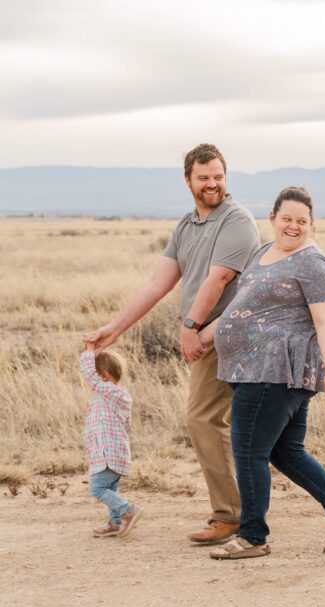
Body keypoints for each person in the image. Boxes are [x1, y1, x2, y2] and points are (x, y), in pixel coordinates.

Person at [84, 144, 259, 545]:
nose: (212, 183)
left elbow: (219, 279)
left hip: (231, 336)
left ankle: (229, 515)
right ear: (188, 180)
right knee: (247, 428)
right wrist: (115, 328)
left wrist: (188, 327)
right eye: (203, 177)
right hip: (207, 335)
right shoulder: (185, 227)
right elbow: (157, 283)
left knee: (204, 419)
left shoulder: (237, 220)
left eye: (218, 176)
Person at [204, 187, 325, 559]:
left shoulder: (314, 263)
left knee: (249, 453)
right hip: (254, 371)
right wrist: (206, 334)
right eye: (287, 219)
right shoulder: (265, 252)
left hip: (275, 373)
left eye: (301, 221)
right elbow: (243, 305)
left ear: (312, 224)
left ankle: (252, 536)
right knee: (287, 452)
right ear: (273, 219)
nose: (293, 226)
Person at [80, 344, 142, 538]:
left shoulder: (109, 392)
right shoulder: (114, 395)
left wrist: (89, 351)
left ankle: (128, 510)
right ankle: (115, 522)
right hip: (112, 452)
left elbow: (89, 375)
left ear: (104, 376)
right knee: (109, 488)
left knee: (97, 488)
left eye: (95, 376)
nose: (90, 382)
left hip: (108, 452)